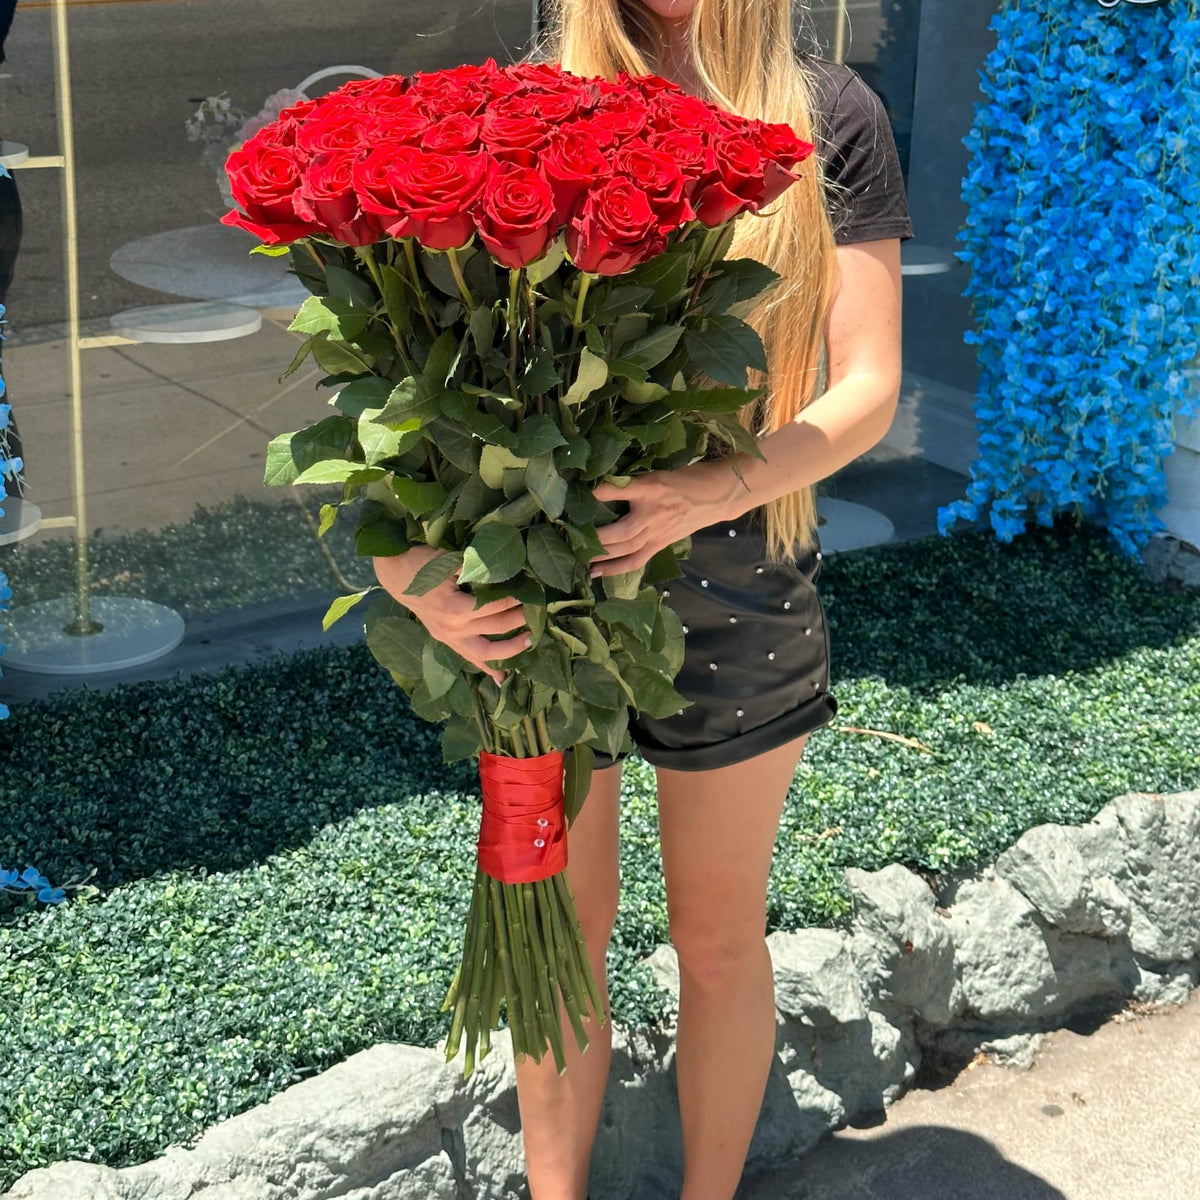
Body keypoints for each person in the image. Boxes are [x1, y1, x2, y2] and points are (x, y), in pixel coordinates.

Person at [373, 2, 913, 1197]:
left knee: (718, 943)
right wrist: (407, 577)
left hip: (741, 585)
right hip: (545, 612)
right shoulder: (524, 106)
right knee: (560, 933)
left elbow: (867, 387)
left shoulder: (834, 115)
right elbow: (417, 386)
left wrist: (701, 492)